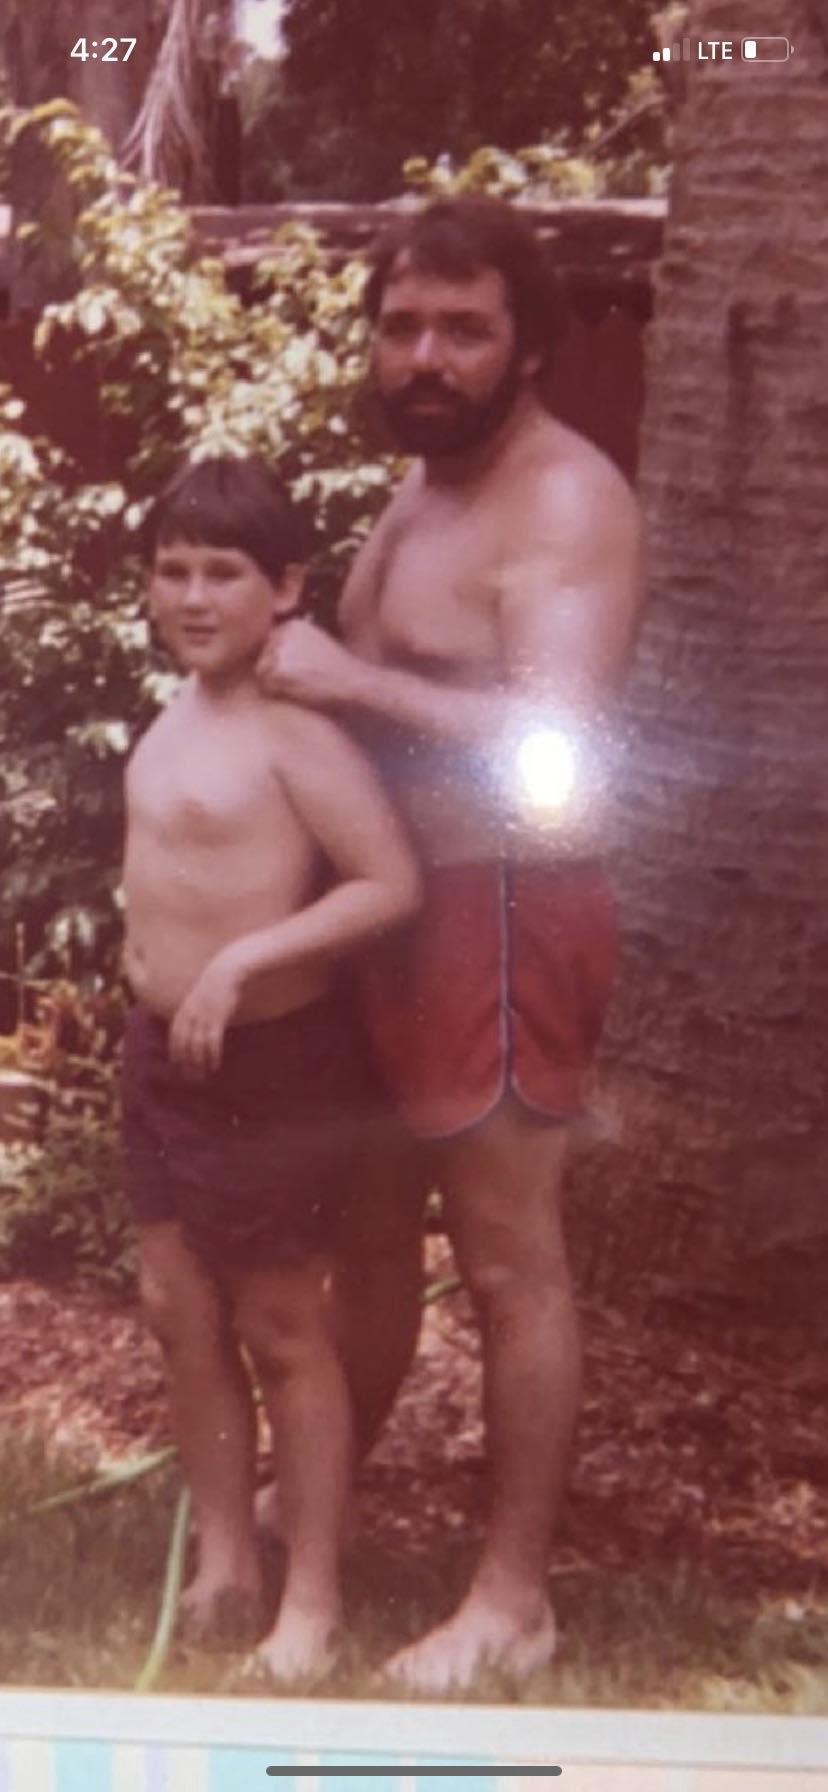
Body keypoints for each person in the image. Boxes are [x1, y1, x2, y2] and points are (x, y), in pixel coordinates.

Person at [256, 196, 645, 1692]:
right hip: (393, 923)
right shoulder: (421, 490)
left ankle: (512, 1600)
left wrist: (353, 684)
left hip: (502, 910)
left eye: (464, 328)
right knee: (366, 1246)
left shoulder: (561, 501)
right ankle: (316, 1507)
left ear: (529, 346)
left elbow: (565, 738)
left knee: (505, 1260)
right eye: (403, 325)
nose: (427, 356)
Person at [121, 456, 421, 1680]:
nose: (194, 597)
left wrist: (244, 958)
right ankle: (229, 1559)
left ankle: (312, 1604)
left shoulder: (299, 734)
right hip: (160, 1053)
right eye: (173, 570)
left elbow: (389, 883)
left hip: (269, 1063)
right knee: (180, 1309)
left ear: (286, 588)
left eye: (224, 573)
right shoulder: (173, 715)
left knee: (282, 1322)